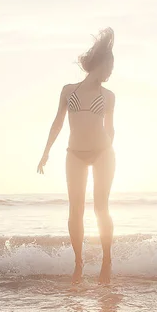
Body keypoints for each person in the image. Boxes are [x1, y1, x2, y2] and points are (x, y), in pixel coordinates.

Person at [37, 28, 116, 285]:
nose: (111, 72)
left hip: (103, 153)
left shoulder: (109, 96)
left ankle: (106, 261)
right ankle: (79, 263)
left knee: (101, 207)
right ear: (101, 63)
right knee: (75, 211)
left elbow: (110, 128)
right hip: (75, 155)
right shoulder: (68, 91)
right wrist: (46, 152)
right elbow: (57, 123)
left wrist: (109, 147)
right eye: (110, 65)